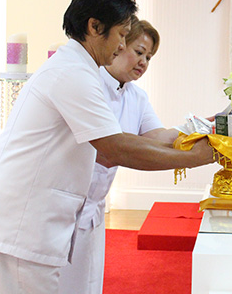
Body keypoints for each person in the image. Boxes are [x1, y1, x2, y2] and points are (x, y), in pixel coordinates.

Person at [0, 0, 214, 294]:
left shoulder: (83, 70)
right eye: (123, 36)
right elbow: (114, 148)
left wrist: (201, 133)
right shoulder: (73, 73)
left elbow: (145, 139)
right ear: (95, 26)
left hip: (47, 216)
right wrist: (200, 157)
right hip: (21, 221)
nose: (125, 48)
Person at [57, 17, 176, 293]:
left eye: (149, 57)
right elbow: (110, 152)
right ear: (118, 44)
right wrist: (196, 158)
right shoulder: (90, 83)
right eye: (139, 52)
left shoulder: (136, 96)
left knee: (86, 283)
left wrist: (204, 129)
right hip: (63, 203)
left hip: (93, 210)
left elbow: (159, 137)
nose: (144, 62)